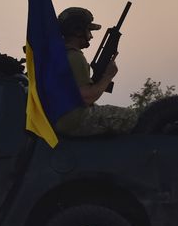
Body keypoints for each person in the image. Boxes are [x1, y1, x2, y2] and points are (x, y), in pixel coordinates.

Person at [55, 7, 137, 136]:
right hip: (74, 120)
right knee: (133, 118)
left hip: (60, 118)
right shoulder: (75, 57)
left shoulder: (59, 55)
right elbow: (87, 97)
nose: (91, 36)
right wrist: (107, 76)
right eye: (88, 30)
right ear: (77, 31)